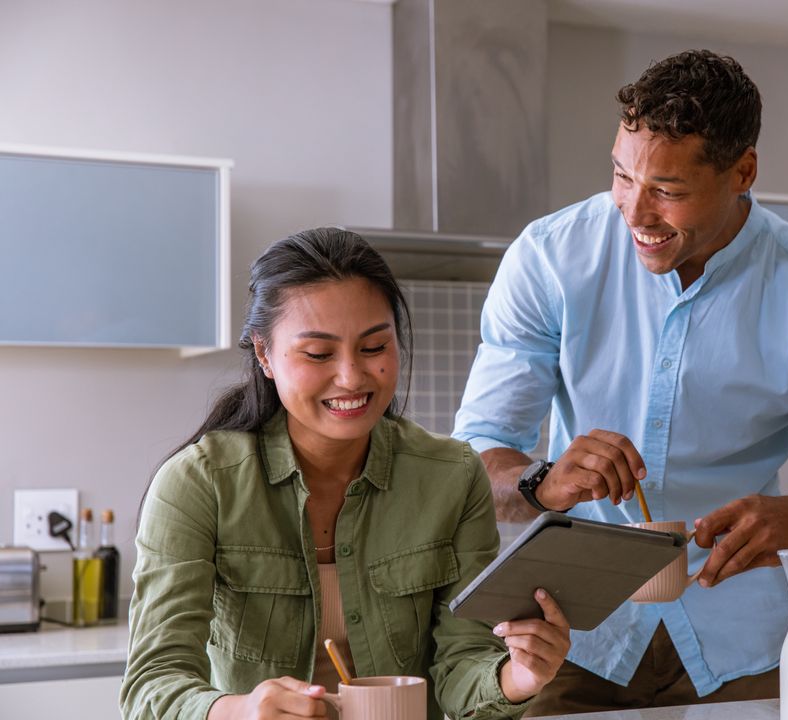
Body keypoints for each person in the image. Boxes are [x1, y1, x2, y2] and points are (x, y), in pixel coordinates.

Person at [452, 49, 788, 716]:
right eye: (621, 176)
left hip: (746, 647)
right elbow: (472, 466)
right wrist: (542, 483)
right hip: (572, 640)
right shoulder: (550, 259)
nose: (634, 213)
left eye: (667, 191)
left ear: (743, 172)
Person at [122, 228, 570, 720]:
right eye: (318, 354)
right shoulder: (199, 482)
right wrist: (239, 711)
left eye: (374, 347)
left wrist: (517, 678)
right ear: (265, 355)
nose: (352, 377)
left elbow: (463, 664)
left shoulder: (453, 475)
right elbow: (152, 687)